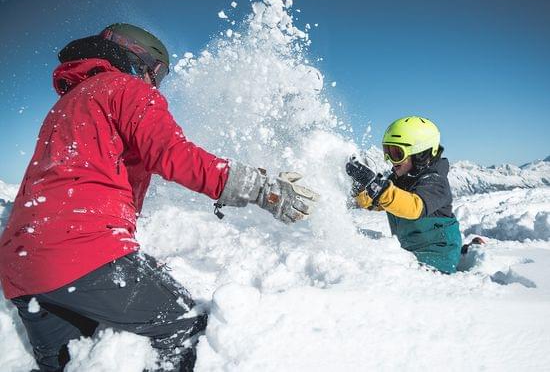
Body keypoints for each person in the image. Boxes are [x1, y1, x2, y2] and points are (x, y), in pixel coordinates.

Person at [0, 23, 319, 371]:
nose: (157, 82)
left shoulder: (67, 106)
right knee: (189, 323)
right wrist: (260, 188)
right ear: (140, 59)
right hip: (81, 251)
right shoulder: (126, 88)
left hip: (20, 267)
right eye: (159, 72)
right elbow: (173, 155)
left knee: (70, 361)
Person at [346, 116, 462, 274]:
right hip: (409, 252)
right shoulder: (401, 178)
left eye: (396, 153)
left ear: (420, 153)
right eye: (387, 151)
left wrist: (378, 188)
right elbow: (381, 202)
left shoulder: (435, 181)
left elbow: (414, 207)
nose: (390, 160)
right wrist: (361, 190)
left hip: (438, 258)